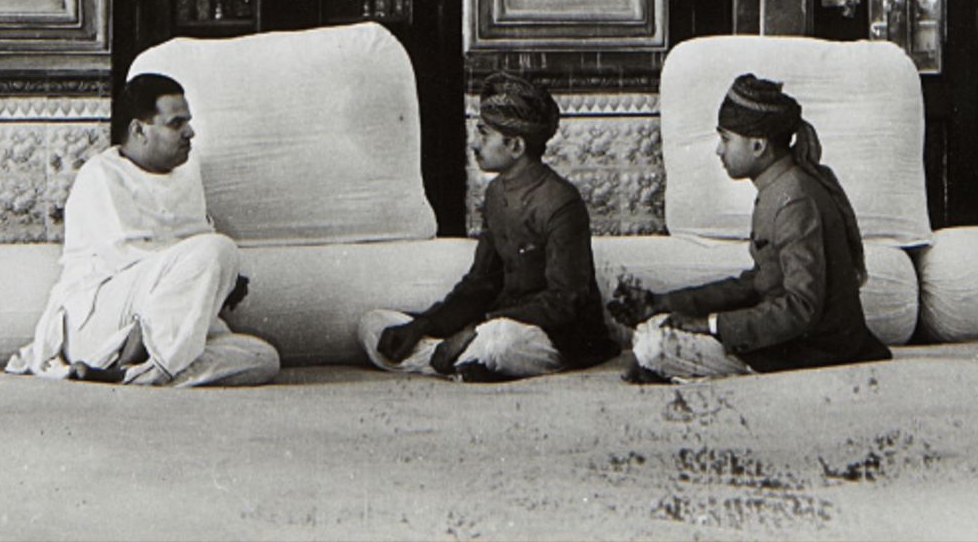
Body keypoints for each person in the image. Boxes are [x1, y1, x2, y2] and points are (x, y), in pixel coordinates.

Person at [612, 74, 889, 381]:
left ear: (758, 146)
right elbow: (759, 282)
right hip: (792, 337)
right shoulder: (780, 191)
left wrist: (711, 324)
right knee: (656, 329)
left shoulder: (793, 201)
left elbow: (801, 308)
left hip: (817, 348)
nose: (719, 150)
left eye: (726, 139)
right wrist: (663, 303)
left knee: (655, 347)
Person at [9, 75, 279, 389]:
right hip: (100, 320)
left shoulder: (188, 175)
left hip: (164, 322)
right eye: (176, 124)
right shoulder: (102, 174)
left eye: (188, 122)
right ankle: (138, 361)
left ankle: (133, 373)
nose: (190, 132)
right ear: (139, 130)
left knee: (263, 357)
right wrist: (209, 267)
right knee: (218, 250)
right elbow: (127, 259)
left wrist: (218, 278)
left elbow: (186, 260)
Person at [359, 74, 609, 381]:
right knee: (373, 325)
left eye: (483, 135)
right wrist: (424, 324)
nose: (474, 145)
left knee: (501, 343)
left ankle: (464, 357)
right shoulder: (495, 195)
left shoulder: (561, 202)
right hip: (493, 321)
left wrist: (475, 330)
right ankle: (461, 361)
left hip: (549, 337)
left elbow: (565, 302)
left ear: (515, 146)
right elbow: (480, 284)